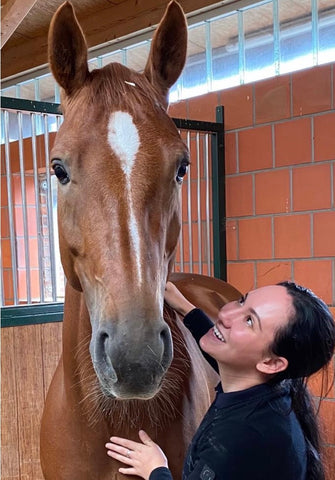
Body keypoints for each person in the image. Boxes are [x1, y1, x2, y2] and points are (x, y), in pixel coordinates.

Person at [105, 280, 335, 480]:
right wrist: (186, 307)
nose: (225, 314)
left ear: (272, 363)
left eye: (249, 321)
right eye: (242, 301)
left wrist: (156, 468)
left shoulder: (238, 439)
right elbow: (220, 358)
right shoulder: (267, 389)